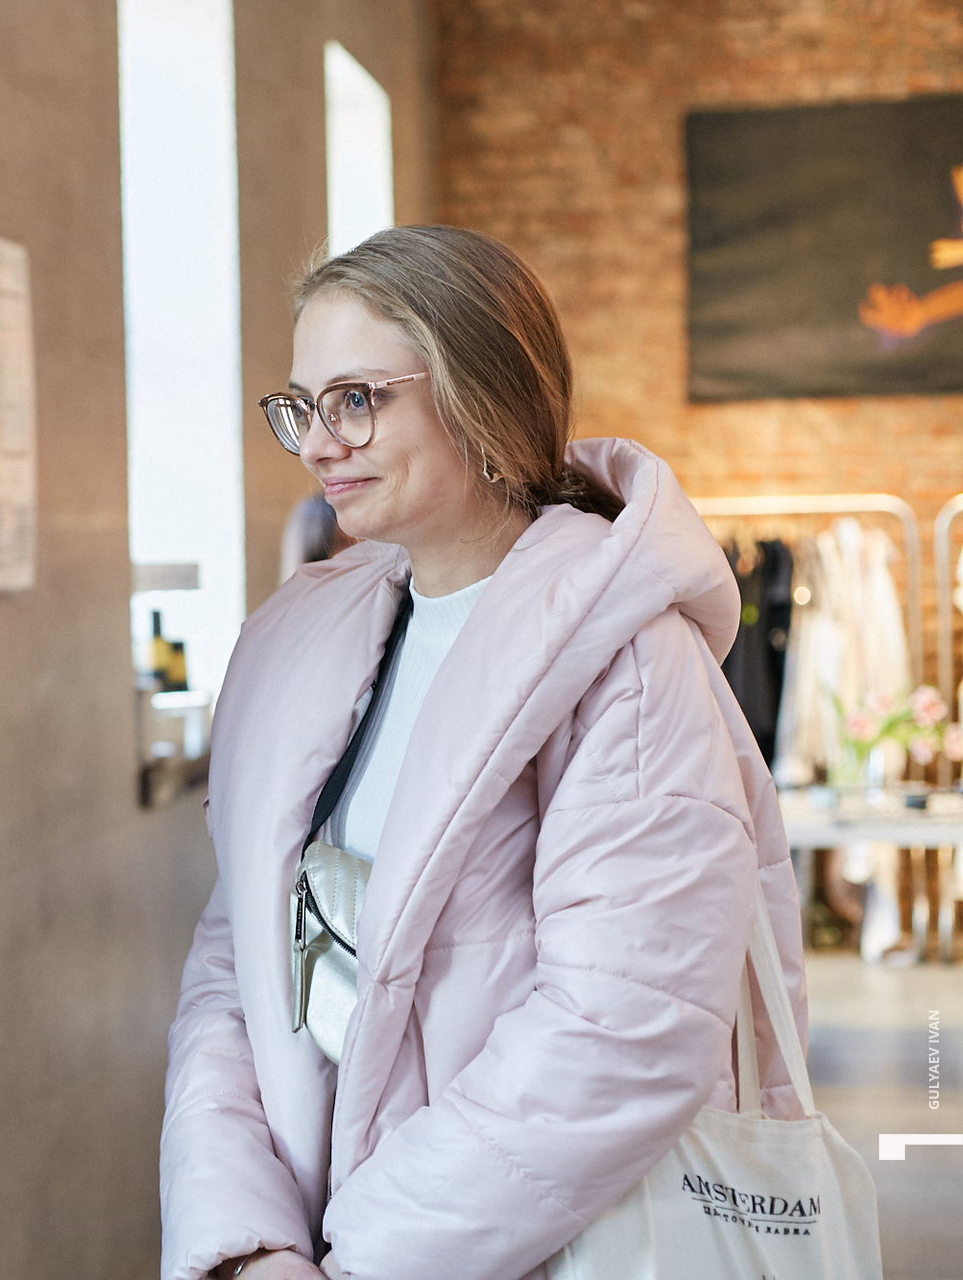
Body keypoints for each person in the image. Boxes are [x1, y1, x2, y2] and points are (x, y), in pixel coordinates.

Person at [160, 226, 808, 1280]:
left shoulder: (630, 664)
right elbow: (235, 968)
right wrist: (252, 1239)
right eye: (301, 406)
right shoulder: (297, 644)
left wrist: (362, 1258)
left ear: (480, 394)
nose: (319, 443)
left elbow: (623, 1028)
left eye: (356, 399)